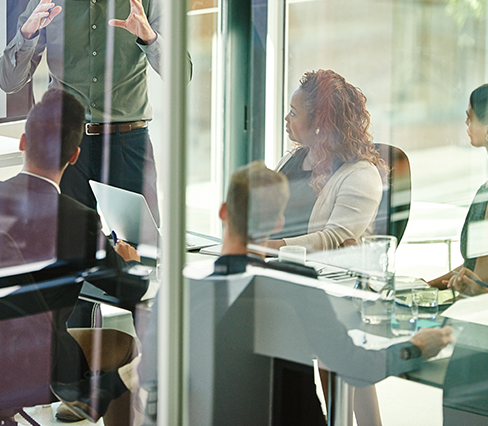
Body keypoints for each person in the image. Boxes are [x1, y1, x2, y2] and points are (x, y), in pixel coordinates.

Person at [136, 161, 452, 426]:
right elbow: (356, 366)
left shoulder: (179, 290)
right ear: (278, 223)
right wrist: (416, 347)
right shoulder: (294, 285)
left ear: (222, 212)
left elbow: (149, 378)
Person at [0, 88, 149, 426]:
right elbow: (129, 291)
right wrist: (129, 262)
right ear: (74, 156)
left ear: (24, 141)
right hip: (31, 368)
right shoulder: (76, 219)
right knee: (124, 346)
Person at [0, 0, 192, 226]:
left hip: (128, 144)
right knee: (70, 251)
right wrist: (27, 33)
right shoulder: (47, 1)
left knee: (140, 248)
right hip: (69, 146)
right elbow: (8, 81)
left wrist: (149, 38)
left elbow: (181, 75)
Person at [264, 69, 384, 252]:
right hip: (271, 264)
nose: (286, 118)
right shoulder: (291, 158)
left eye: (293, 113)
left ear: (320, 124)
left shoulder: (361, 176)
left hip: (317, 274)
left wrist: (264, 248)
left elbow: (333, 240)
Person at [429, 82, 488, 291]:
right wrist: (427, 286)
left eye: (471, 118)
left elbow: (480, 281)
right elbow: (472, 268)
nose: (466, 123)